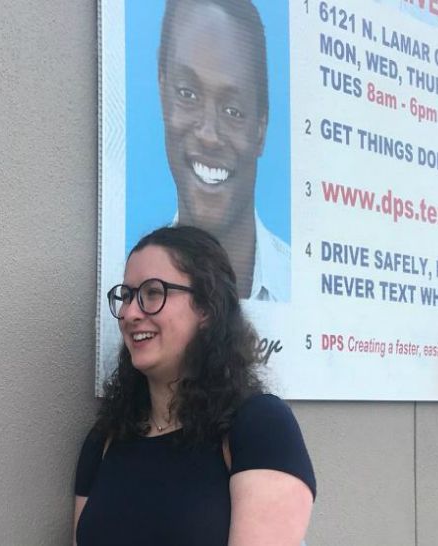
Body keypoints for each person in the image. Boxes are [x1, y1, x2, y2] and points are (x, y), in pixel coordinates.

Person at [73, 226, 314, 545]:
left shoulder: (259, 427)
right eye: (127, 296)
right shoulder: (105, 440)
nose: (130, 313)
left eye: (153, 293)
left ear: (207, 308)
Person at [159, 0, 289, 301]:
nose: (208, 135)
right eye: (187, 94)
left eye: (233, 110)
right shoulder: (135, 290)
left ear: (261, 128)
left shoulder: (297, 285)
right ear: (162, 94)